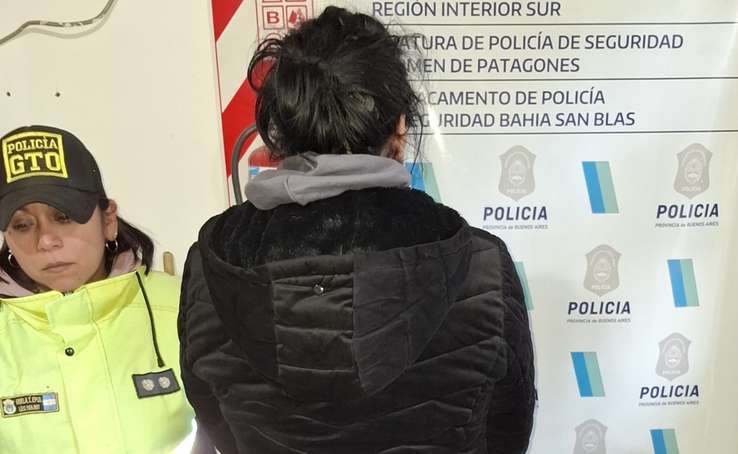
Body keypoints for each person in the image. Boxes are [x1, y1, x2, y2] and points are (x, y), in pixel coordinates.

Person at [179, 6, 536, 454]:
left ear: (279, 133)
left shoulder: (211, 265)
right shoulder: (481, 268)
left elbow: (220, 428)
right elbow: (507, 432)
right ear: (400, 127)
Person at [0, 125, 194, 453]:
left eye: (63, 216)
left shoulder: (184, 309)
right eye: (22, 225)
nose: (45, 241)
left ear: (108, 220)